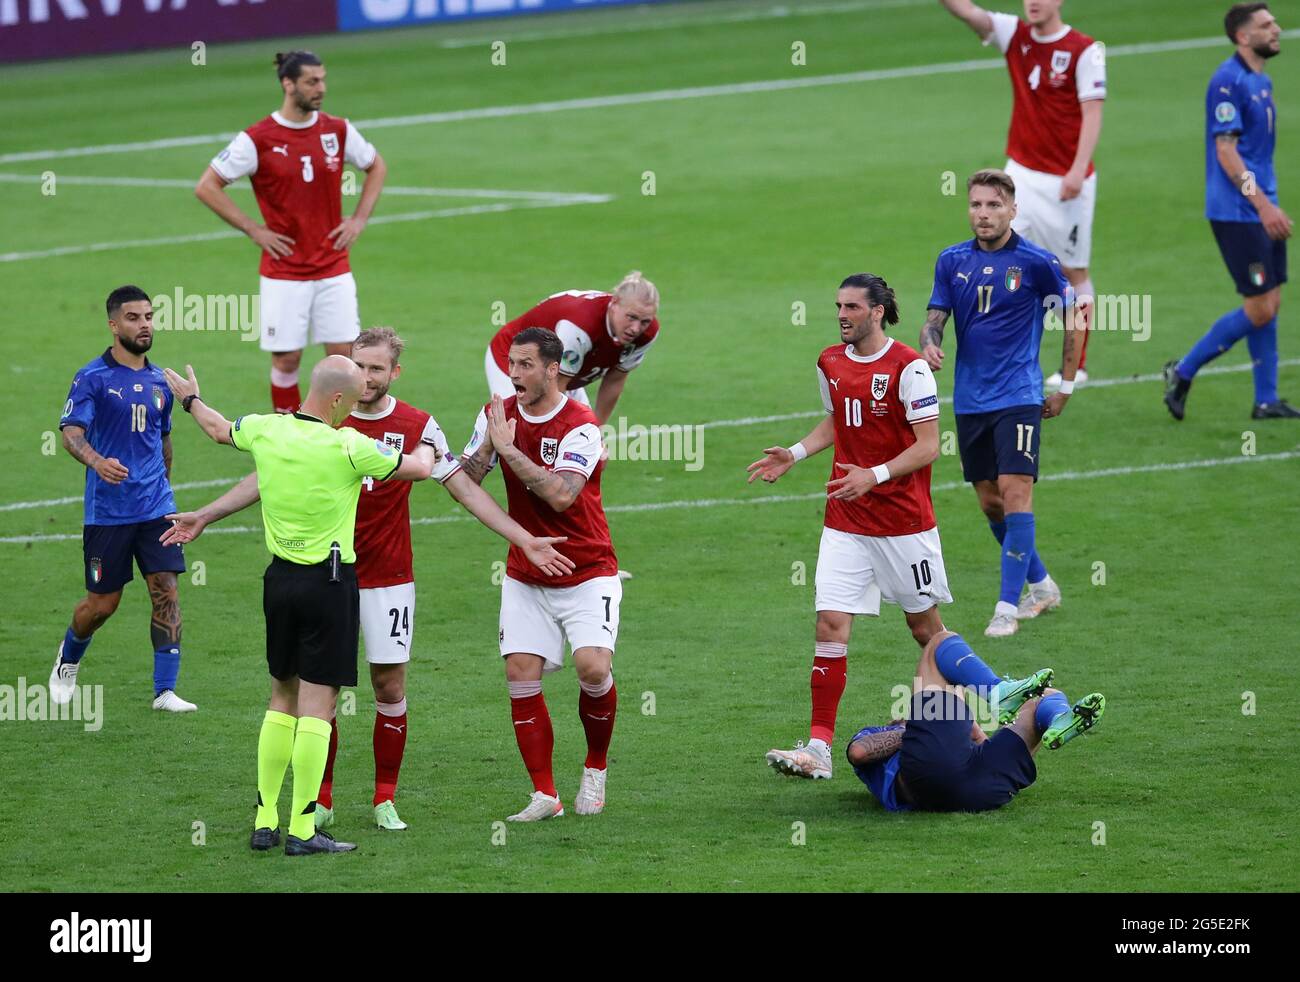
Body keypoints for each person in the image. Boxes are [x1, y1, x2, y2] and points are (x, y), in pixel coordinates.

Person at [162, 330, 574, 833]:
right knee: (322, 696)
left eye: (376, 369)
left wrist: (522, 538)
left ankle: (381, 799)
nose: (367, 378)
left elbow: (465, 491)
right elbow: (267, 475)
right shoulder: (338, 423)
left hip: (385, 577)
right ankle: (318, 804)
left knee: (381, 685)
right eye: (359, 366)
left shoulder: (406, 421)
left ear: (394, 373)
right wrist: (209, 512)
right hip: (332, 578)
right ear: (345, 375)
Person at [163, 355, 437, 856]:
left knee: (279, 697)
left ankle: (265, 821)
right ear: (337, 399)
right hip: (329, 585)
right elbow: (417, 468)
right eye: (351, 401)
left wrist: (190, 398)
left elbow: (219, 430)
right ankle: (304, 829)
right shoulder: (349, 445)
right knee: (319, 706)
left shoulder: (267, 429)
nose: (351, 409)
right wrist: (433, 447)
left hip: (279, 581)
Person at [750, 274, 946, 782]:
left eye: (853, 307)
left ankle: (972, 716)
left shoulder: (910, 368)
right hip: (846, 521)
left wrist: (874, 475)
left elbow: (929, 444)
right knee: (829, 625)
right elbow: (839, 420)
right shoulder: (830, 362)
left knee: (925, 630)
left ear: (878, 311)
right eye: (838, 305)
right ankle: (818, 748)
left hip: (903, 525)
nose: (842, 314)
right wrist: (793, 454)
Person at [459, 327, 621, 821]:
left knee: (593, 668)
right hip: (526, 571)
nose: (514, 374)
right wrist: (488, 445)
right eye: (512, 364)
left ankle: (595, 768)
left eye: (526, 365)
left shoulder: (581, 425)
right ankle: (544, 794)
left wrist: (509, 451)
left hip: (587, 568)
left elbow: (561, 495)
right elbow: (465, 482)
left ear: (554, 370)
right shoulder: (498, 415)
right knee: (519, 673)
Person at [920, 169, 1081, 638]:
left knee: (1015, 492)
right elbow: (935, 317)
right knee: (991, 503)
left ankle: (1006, 607)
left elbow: (1075, 320)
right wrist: (931, 342)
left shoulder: (1037, 262)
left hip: (1019, 396)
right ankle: (1042, 585)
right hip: (970, 400)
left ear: (1013, 210)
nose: (984, 214)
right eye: (976, 205)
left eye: (994, 205)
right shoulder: (951, 261)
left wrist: (1065, 387)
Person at [196, 49, 387, 414]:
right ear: (288, 84)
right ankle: (288, 439)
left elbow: (376, 166)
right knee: (286, 362)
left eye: (323, 79)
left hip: (333, 267)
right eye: (312, 81)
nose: (321, 88)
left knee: (346, 362)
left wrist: (359, 218)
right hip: (284, 272)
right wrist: (254, 229)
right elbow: (207, 186)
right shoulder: (258, 138)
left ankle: (342, 443)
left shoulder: (337, 129)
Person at [937, 0, 1106, 387]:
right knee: (999, 256)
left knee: (1072, 271)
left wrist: (1078, 170)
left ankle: (1075, 364)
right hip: (1021, 176)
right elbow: (966, 12)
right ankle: (1000, 354)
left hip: (1066, 181)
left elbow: (1093, 112)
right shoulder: (1015, 34)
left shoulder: (1085, 50)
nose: (1032, 2)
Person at [51, 285, 195, 713]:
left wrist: (163, 492)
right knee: (102, 605)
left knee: (166, 589)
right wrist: (97, 462)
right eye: (133, 318)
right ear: (114, 325)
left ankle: (164, 691)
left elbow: (163, 442)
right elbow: (71, 434)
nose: (144, 324)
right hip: (109, 513)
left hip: (156, 507)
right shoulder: (92, 377)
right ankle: (68, 659)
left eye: (149, 316)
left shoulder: (161, 381)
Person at [1164, 3, 1295, 420]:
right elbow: (1227, 154)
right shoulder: (1228, 81)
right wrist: (1263, 205)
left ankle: (1266, 399)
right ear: (1243, 36)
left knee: (1270, 300)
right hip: (1239, 213)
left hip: (1260, 207)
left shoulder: (1261, 78)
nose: (1276, 28)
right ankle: (1183, 371)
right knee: (1259, 306)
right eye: (1265, 25)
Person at [845, 630, 1105, 812]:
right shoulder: (878, 733)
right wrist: (909, 731)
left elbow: (981, 742)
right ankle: (996, 691)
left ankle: (1060, 719)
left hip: (978, 785)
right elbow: (858, 752)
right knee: (937, 644)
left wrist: (974, 733)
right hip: (935, 780)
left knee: (1046, 696)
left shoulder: (939, 740)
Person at [484, 272, 660, 424]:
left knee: (586, 444)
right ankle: (470, 460)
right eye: (631, 317)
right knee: (519, 430)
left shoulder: (647, 333)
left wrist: (596, 428)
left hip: (560, 368)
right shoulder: (580, 327)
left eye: (644, 321)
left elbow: (615, 380)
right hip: (514, 358)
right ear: (614, 304)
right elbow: (554, 386)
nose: (636, 328)